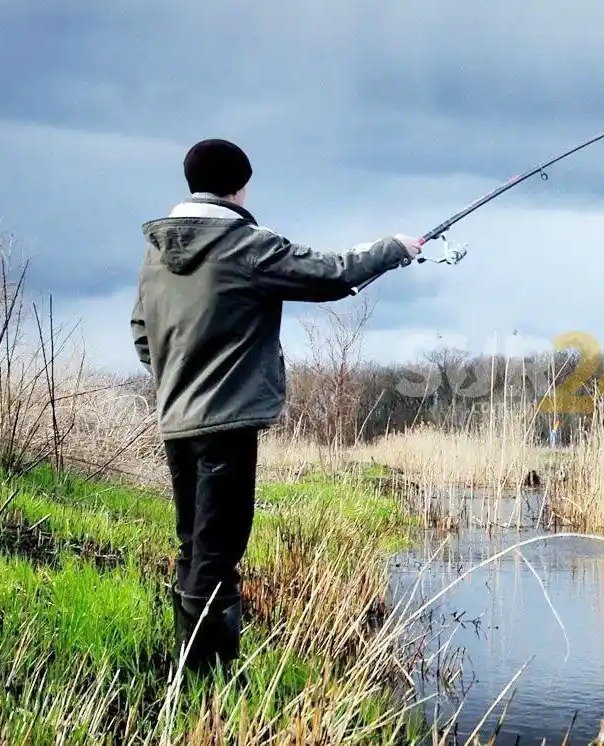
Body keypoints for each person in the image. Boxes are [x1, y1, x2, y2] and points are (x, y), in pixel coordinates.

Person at [129, 138, 421, 677]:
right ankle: (204, 679)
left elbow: (142, 334)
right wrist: (395, 247)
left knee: (195, 544)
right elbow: (332, 273)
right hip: (228, 423)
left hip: (176, 420)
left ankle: (193, 673)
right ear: (239, 186)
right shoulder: (244, 243)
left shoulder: (157, 252)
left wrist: (178, 379)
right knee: (219, 550)